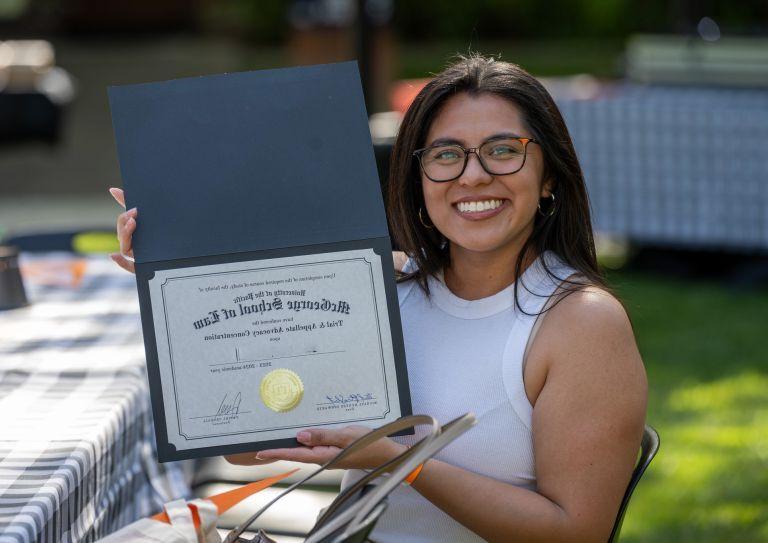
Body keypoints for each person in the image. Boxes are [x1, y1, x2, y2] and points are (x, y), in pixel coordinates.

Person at [110, 55, 647, 543]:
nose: (473, 175)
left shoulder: (580, 323)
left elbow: (577, 533)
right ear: (418, 178)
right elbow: (244, 447)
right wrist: (184, 285)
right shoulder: (381, 287)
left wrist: (399, 461)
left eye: (504, 151)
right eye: (446, 154)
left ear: (549, 174)